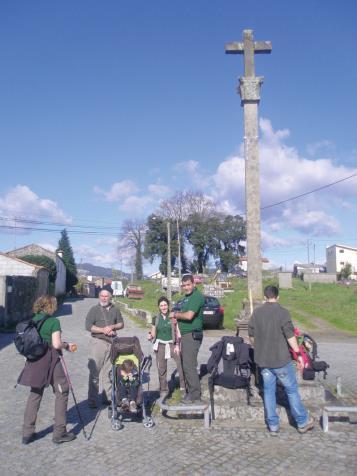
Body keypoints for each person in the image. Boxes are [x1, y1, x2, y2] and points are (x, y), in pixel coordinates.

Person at [248, 285, 314, 435]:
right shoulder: (283, 313)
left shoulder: (257, 313)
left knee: (269, 392)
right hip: (281, 360)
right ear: (278, 297)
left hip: (264, 361)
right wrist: (298, 354)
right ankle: (302, 422)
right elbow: (290, 336)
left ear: (265, 297)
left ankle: (273, 426)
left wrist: (258, 347)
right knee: (291, 390)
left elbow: (251, 336)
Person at [18, 295, 77, 445]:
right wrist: (67, 345)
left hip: (35, 361)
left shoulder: (33, 320)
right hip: (51, 360)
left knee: (35, 394)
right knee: (62, 392)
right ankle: (59, 432)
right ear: (50, 306)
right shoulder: (53, 321)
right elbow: (56, 344)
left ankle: (27, 433)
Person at [85, 288, 124, 408]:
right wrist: (103, 330)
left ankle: (107, 398)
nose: (103, 298)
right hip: (98, 343)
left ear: (110, 297)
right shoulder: (94, 310)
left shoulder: (115, 309)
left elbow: (121, 324)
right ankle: (92, 400)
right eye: (102, 296)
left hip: (112, 343)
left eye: (106, 296)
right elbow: (88, 326)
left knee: (109, 373)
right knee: (94, 372)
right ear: (99, 297)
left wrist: (112, 326)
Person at [170, 274, 205, 404]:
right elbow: (179, 311)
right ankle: (191, 392)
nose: (186, 287)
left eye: (188, 284)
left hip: (192, 334)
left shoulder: (197, 297)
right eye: (184, 285)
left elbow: (189, 316)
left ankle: (195, 396)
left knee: (189, 365)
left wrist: (175, 314)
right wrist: (176, 315)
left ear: (194, 284)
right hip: (184, 335)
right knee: (186, 365)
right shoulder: (185, 298)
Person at [148, 296, 186, 398]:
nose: (163, 307)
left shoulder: (173, 316)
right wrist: (150, 335)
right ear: (159, 307)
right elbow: (153, 331)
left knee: (180, 365)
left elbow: (178, 332)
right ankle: (164, 389)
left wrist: (178, 345)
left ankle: (183, 387)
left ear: (168, 306)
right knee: (161, 368)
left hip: (172, 344)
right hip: (160, 345)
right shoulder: (155, 318)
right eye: (161, 305)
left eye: (165, 305)